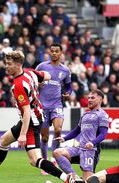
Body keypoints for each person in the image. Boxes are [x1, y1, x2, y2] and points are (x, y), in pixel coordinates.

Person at [0, 50, 72, 183]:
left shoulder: (19, 85)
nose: (6, 66)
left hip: (31, 121)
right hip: (33, 117)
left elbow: (26, 112)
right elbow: (48, 75)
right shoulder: (30, 72)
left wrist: (22, 135)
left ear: (18, 64)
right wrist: (38, 84)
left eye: (9, 64)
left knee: (34, 160)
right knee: (3, 141)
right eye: (6, 63)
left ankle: (67, 179)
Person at [51, 89, 109, 183]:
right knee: (57, 152)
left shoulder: (102, 115)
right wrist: (64, 138)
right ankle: (75, 178)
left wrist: (92, 142)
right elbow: (77, 130)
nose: (89, 100)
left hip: (91, 150)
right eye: (88, 98)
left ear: (100, 100)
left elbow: (103, 134)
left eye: (92, 98)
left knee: (88, 182)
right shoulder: (85, 114)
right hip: (79, 148)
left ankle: (110, 182)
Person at [35, 43, 72, 174]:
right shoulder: (42, 67)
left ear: (61, 53)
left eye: (57, 51)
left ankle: (54, 157)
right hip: (42, 106)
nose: (54, 53)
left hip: (57, 104)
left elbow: (68, 86)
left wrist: (68, 93)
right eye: (52, 51)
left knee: (58, 130)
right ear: (49, 52)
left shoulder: (65, 70)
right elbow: (33, 82)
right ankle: (45, 163)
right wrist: (38, 84)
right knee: (44, 137)